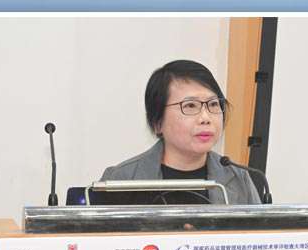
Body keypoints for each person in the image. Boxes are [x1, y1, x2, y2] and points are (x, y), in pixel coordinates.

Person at [99, 60, 261, 205]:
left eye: (213, 104)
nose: (205, 118)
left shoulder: (239, 178)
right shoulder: (120, 180)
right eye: (190, 106)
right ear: (157, 122)